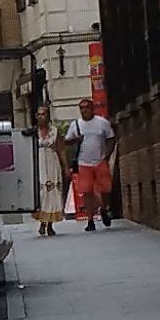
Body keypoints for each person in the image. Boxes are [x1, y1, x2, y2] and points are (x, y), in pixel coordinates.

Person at [64, 98, 117, 232]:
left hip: (100, 161)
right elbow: (67, 142)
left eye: (87, 107)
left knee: (106, 189)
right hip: (83, 163)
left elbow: (111, 138)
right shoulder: (76, 125)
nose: (84, 110)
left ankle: (104, 208)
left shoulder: (102, 123)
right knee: (87, 192)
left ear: (92, 108)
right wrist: (76, 139)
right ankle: (90, 220)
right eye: (81, 108)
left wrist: (107, 155)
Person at [33, 106, 67, 237]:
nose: (42, 117)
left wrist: (65, 167)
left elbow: (61, 150)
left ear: (48, 116)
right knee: (42, 192)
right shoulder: (33, 132)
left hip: (52, 163)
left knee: (53, 192)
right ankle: (42, 222)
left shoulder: (55, 132)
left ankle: (50, 225)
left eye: (44, 114)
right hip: (39, 163)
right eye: (39, 114)